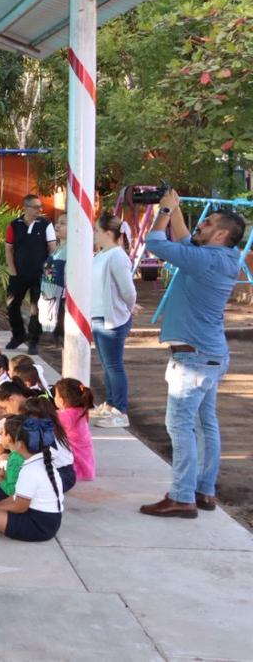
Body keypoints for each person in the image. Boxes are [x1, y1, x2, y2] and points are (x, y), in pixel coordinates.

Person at [140, 189, 245, 519]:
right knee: (204, 424)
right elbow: (187, 239)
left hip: (193, 360)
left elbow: (155, 243)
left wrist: (164, 212)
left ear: (221, 234)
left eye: (208, 222)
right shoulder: (223, 257)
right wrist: (175, 208)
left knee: (180, 426)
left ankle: (182, 496)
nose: (201, 224)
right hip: (209, 355)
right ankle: (203, 490)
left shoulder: (206, 260)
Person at [88, 212, 137, 429]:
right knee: (107, 365)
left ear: (109, 233)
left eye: (97, 230)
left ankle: (120, 410)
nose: (94, 234)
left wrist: (129, 306)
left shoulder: (117, 256)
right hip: (99, 316)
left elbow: (128, 290)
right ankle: (110, 404)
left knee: (114, 365)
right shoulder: (101, 254)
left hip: (112, 319)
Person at [4, 194, 57, 355]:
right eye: (35, 207)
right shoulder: (14, 225)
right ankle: (18, 335)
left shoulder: (46, 224)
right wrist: (12, 270)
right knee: (12, 304)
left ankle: (33, 340)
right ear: (25, 208)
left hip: (40, 275)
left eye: (40, 206)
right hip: (18, 274)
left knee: (36, 308)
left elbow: (52, 249)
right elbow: (9, 249)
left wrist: (49, 271)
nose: (39, 210)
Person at [53, 378, 96, 482]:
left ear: (61, 401)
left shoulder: (66, 416)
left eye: (56, 395)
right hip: (85, 453)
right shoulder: (81, 410)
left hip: (73, 454)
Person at [39, 214, 68, 347]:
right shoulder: (57, 248)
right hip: (49, 298)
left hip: (61, 301)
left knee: (60, 341)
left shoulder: (73, 250)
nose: (57, 225)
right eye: (58, 222)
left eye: (63, 223)